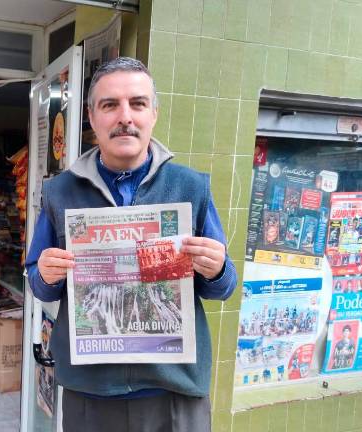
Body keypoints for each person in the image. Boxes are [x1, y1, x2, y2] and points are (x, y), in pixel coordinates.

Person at [25, 57, 237, 432]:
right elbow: (38, 281)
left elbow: (223, 287)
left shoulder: (191, 188)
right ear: (92, 117)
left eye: (137, 103)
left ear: (153, 113)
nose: (125, 116)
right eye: (110, 105)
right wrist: (45, 274)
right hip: (91, 393)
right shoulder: (61, 192)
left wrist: (217, 268)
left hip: (172, 393)